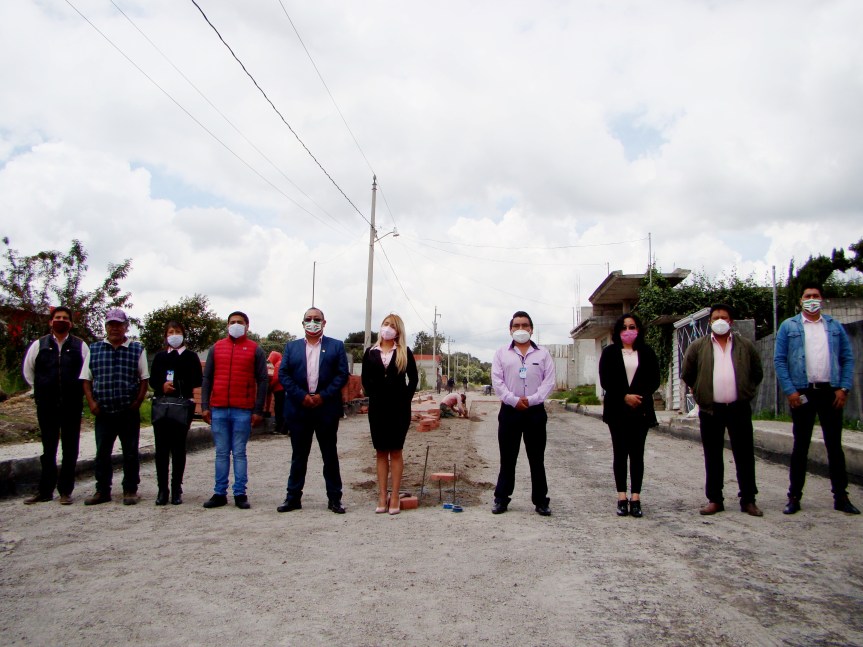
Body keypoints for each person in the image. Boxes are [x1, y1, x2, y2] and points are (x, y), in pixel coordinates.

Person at [774, 283, 859, 515]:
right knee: (800, 446)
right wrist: (791, 391)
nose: (812, 299)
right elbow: (779, 360)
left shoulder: (833, 327)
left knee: (834, 446)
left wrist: (844, 388)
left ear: (822, 300)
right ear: (800, 301)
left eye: (816, 296)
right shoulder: (788, 326)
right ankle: (794, 496)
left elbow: (847, 358)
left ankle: (841, 496)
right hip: (802, 393)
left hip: (830, 392)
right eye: (808, 296)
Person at [681, 304, 764, 517]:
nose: (720, 320)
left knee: (745, 455)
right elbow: (688, 373)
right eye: (716, 317)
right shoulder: (697, 347)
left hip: (739, 408)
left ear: (731, 321)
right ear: (710, 322)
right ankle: (715, 499)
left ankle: (748, 499)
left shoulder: (745, 346)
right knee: (713, 455)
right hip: (710, 410)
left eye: (724, 317)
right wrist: (699, 390)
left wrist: (747, 390)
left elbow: (757, 371)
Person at [277, 307, 350, 513]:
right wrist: (302, 396)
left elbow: (342, 374)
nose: (312, 322)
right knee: (299, 455)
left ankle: (335, 498)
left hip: (326, 409)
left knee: (329, 455)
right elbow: (284, 375)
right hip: (299, 410)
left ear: (324, 323)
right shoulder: (291, 348)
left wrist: (322, 396)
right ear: (302, 323)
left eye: (316, 319)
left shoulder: (336, 346)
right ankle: (293, 498)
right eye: (308, 319)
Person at [200, 311, 268, 510]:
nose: (235, 325)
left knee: (239, 452)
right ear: (227, 325)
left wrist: (258, 409)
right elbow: (207, 379)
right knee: (221, 453)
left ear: (247, 326)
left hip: (243, 410)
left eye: (240, 322)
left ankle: (240, 493)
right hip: (219, 408)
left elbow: (263, 380)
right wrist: (205, 406)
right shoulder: (216, 348)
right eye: (232, 322)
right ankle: (219, 493)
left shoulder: (255, 350)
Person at [80, 309, 149, 506]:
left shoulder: (137, 349)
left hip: (128, 411)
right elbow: (86, 379)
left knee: (130, 452)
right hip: (103, 410)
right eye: (111, 324)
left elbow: (144, 379)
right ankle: (102, 490)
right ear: (106, 326)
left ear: (126, 327)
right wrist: (92, 403)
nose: (115, 328)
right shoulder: (94, 349)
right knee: (102, 453)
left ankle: (130, 489)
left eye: (119, 324)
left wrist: (137, 403)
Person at [490, 310, 555, 516]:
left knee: (537, 458)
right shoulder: (501, 353)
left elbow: (549, 381)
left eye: (524, 325)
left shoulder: (543, 354)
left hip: (535, 412)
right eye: (516, 326)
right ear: (510, 330)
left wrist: (533, 399)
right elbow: (497, 382)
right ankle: (501, 499)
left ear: (531, 329)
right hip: (510, 412)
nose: (520, 329)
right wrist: (513, 400)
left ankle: (541, 501)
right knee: (507, 458)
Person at [21, 306, 88, 505]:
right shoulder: (39, 345)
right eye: (57, 317)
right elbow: (29, 371)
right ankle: (45, 490)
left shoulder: (80, 346)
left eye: (65, 318)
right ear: (51, 322)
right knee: (48, 448)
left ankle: (65, 491)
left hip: (71, 405)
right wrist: (41, 390)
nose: (61, 320)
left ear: (71, 323)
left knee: (70, 449)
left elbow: (86, 373)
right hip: (47, 405)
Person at [598, 313, 660, 518]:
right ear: (618, 331)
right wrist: (624, 396)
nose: (628, 331)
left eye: (632, 327)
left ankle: (636, 498)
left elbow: (654, 379)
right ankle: (621, 497)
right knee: (620, 453)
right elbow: (606, 380)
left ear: (638, 329)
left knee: (637, 454)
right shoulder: (609, 352)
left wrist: (638, 396)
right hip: (617, 410)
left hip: (640, 409)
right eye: (624, 327)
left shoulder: (647, 352)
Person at [361, 314, 419, 514]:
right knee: (380, 451)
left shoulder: (404, 352)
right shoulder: (370, 352)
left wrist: (405, 398)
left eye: (392, 326)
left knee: (395, 451)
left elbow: (413, 379)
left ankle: (394, 495)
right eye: (386, 324)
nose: (388, 328)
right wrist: (373, 395)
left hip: (399, 409)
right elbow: (365, 379)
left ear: (398, 331)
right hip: (378, 408)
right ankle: (381, 495)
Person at [149, 320, 203, 506]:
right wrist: (161, 385)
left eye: (177, 331)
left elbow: (197, 380)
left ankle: (176, 488)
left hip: (182, 407)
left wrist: (179, 384)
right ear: (166, 335)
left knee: (179, 448)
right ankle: (162, 489)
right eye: (170, 331)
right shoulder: (160, 357)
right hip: (161, 406)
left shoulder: (191, 356)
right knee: (161, 449)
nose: (174, 335)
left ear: (183, 334)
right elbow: (153, 380)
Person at [267, 351, 286, 435]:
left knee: (278, 409)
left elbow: (275, 378)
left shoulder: (278, 364)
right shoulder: (283, 362)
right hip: (284, 389)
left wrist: (270, 386)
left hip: (279, 389)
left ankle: (279, 429)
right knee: (283, 408)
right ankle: (284, 428)